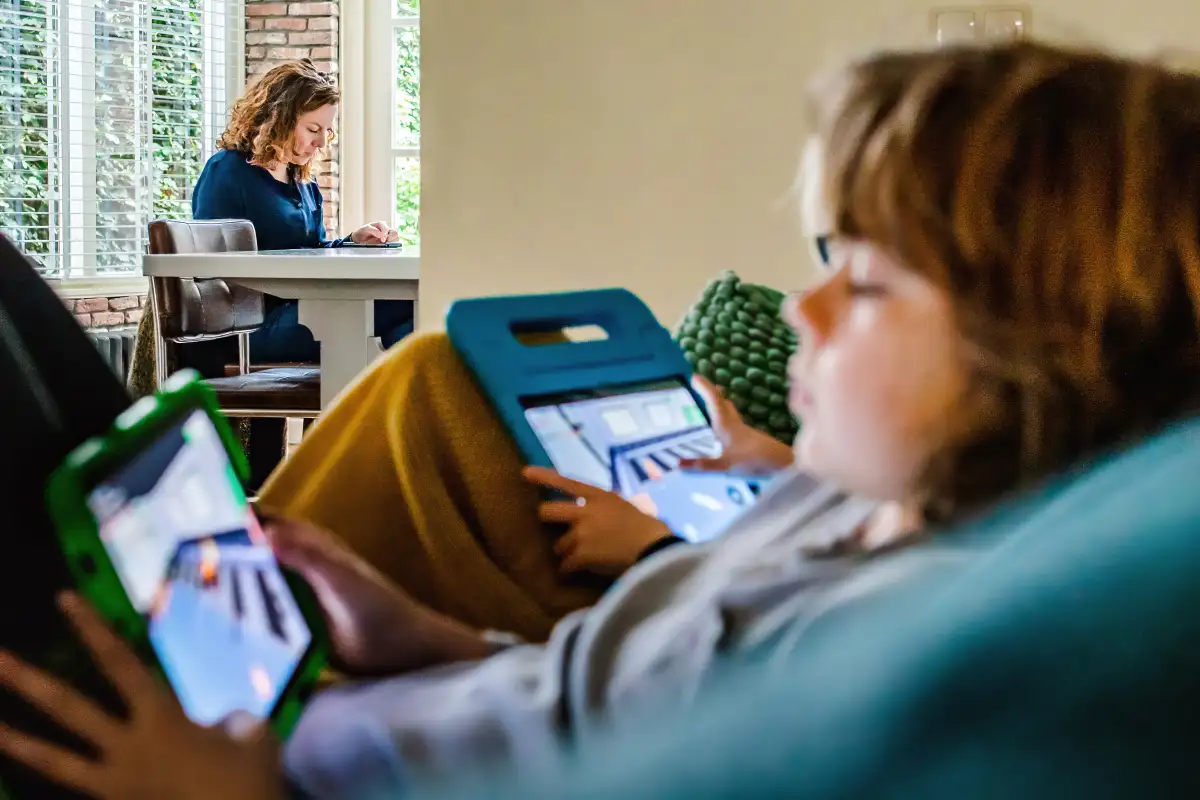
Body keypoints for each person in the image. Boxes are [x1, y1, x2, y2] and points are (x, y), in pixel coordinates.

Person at [3, 38, 1200, 799]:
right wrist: (411, 630)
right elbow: (587, 688)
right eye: (831, 255)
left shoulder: (891, 661)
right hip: (312, 705)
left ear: (1041, 359)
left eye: (872, 283)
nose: (806, 306)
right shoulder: (838, 509)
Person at [184, 59, 414, 487]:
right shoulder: (228, 171)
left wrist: (350, 243)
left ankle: (363, 456)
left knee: (416, 314)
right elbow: (212, 264)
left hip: (302, 311)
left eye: (327, 131)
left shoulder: (300, 182)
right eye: (313, 129)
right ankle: (357, 460)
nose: (322, 141)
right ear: (279, 116)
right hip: (252, 325)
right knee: (412, 306)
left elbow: (311, 251)